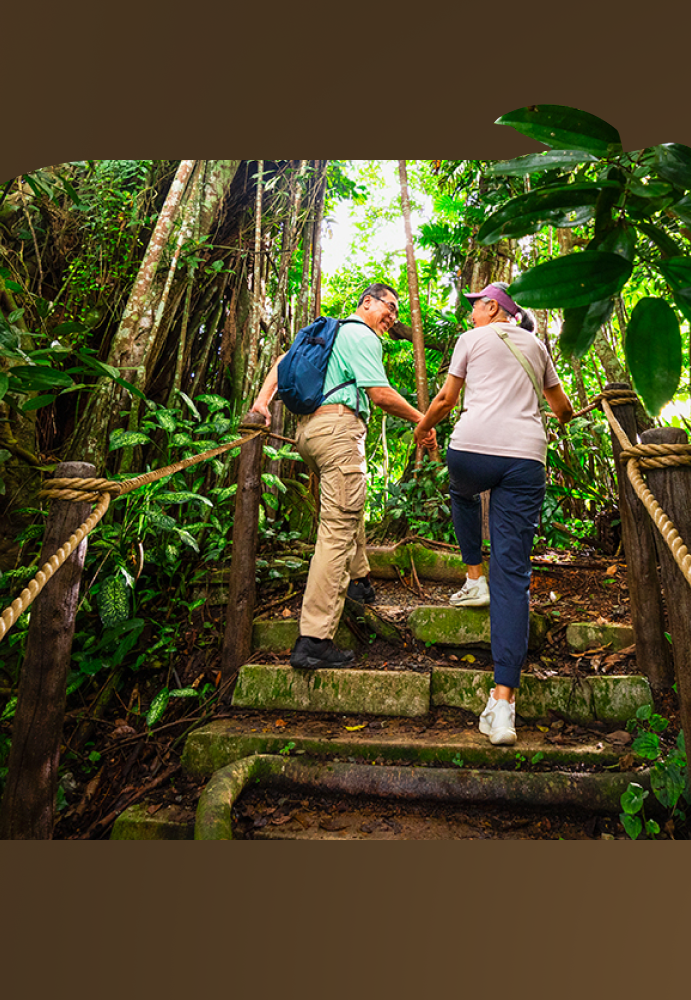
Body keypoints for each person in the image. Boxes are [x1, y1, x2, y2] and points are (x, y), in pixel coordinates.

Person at [411, 282, 577, 745]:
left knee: (461, 492)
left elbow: (445, 401)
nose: (469, 315)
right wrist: (565, 417)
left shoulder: (471, 341)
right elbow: (561, 408)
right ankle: (503, 704)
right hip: (526, 459)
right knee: (515, 574)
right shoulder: (537, 345)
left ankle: (472, 577)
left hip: (472, 451)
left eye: (474, 307)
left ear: (493, 308)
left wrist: (422, 431)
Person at [246, 283, 425, 670]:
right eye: (389, 307)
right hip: (339, 432)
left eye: (396, 312)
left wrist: (262, 402)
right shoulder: (361, 334)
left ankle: (359, 582)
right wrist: (421, 419)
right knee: (337, 528)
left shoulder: (329, 335)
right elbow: (379, 394)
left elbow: (282, 361)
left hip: (309, 435)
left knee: (348, 503)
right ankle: (314, 639)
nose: (392, 317)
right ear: (367, 303)